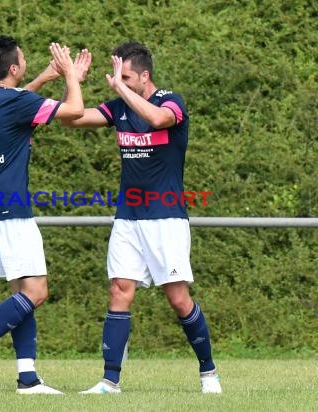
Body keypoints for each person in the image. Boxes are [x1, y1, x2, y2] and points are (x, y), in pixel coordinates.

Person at [60, 41, 222, 394]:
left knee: (179, 299)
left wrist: (119, 89)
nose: (118, 80)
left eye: (126, 75)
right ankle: (109, 381)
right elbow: (72, 119)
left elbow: (158, 119)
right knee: (119, 291)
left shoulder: (171, 101)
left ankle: (208, 372)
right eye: (117, 74)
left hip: (166, 218)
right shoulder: (118, 106)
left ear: (144, 76)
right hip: (128, 218)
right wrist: (73, 80)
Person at [0, 35, 89, 395]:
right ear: (13, 67)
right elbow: (73, 111)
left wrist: (45, 76)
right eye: (23, 59)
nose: (25, 62)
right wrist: (71, 75)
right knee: (37, 292)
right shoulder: (14, 103)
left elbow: (19, 100)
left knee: (21, 293)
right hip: (11, 206)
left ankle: (27, 379)